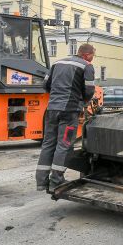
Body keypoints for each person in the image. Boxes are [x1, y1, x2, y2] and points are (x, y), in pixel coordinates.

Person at [36, 43, 96, 192]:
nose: (92, 59)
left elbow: (45, 85)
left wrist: (57, 96)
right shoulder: (86, 66)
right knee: (64, 144)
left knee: (48, 143)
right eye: (92, 56)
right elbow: (89, 90)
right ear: (86, 55)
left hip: (51, 110)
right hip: (69, 112)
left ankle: (41, 181)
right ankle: (56, 181)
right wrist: (83, 102)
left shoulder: (57, 63)